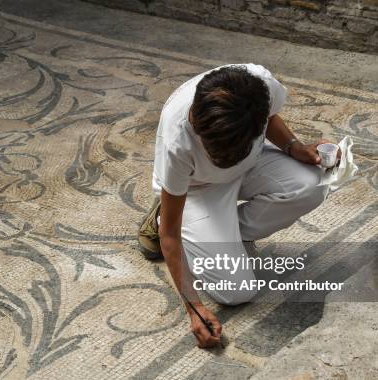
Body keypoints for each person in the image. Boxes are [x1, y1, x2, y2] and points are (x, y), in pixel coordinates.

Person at [138, 64, 332, 348]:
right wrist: (193, 308)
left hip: (248, 167)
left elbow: (271, 114)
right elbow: (169, 236)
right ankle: (165, 212)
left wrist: (294, 146)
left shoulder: (260, 84)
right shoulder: (177, 139)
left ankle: (224, 233)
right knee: (237, 291)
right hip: (196, 189)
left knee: (314, 183)